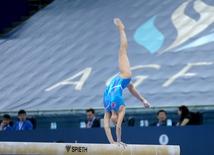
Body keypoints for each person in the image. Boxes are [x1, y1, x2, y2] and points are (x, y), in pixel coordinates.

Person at [103, 18, 150, 148]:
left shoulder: (107, 108)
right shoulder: (121, 108)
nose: (113, 122)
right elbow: (118, 127)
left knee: (130, 87)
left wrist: (112, 142)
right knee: (122, 51)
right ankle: (121, 29)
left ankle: (143, 100)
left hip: (122, 81)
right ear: (118, 118)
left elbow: (106, 126)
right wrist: (118, 141)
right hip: (124, 76)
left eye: (113, 122)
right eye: (115, 121)